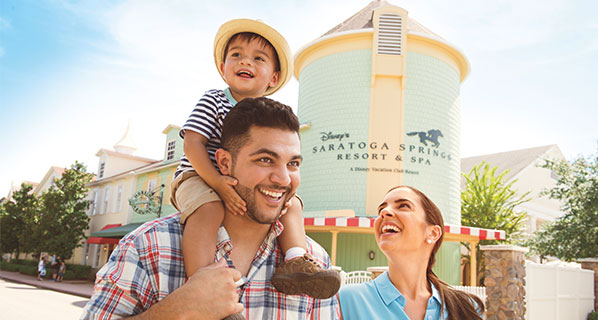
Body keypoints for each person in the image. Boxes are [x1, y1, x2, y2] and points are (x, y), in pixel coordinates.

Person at [81, 97, 340, 319]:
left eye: (293, 164)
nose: (283, 179)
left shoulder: (315, 263)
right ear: (225, 163)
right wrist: (178, 311)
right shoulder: (148, 248)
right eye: (265, 159)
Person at [171, 18, 339, 299]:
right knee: (209, 209)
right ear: (223, 69)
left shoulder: (272, 115)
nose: (245, 62)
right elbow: (192, 143)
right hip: (199, 174)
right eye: (236, 55)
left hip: (232, 179)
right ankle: (202, 288)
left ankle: (295, 260)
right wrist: (218, 181)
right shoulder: (213, 100)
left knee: (293, 203)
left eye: (258, 58)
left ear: (273, 78)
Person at [339, 186, 485, 320]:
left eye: (403, 205)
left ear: (433, 233)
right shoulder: (345, 301)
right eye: (381, 209)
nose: (384, 212)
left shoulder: (466, 308)